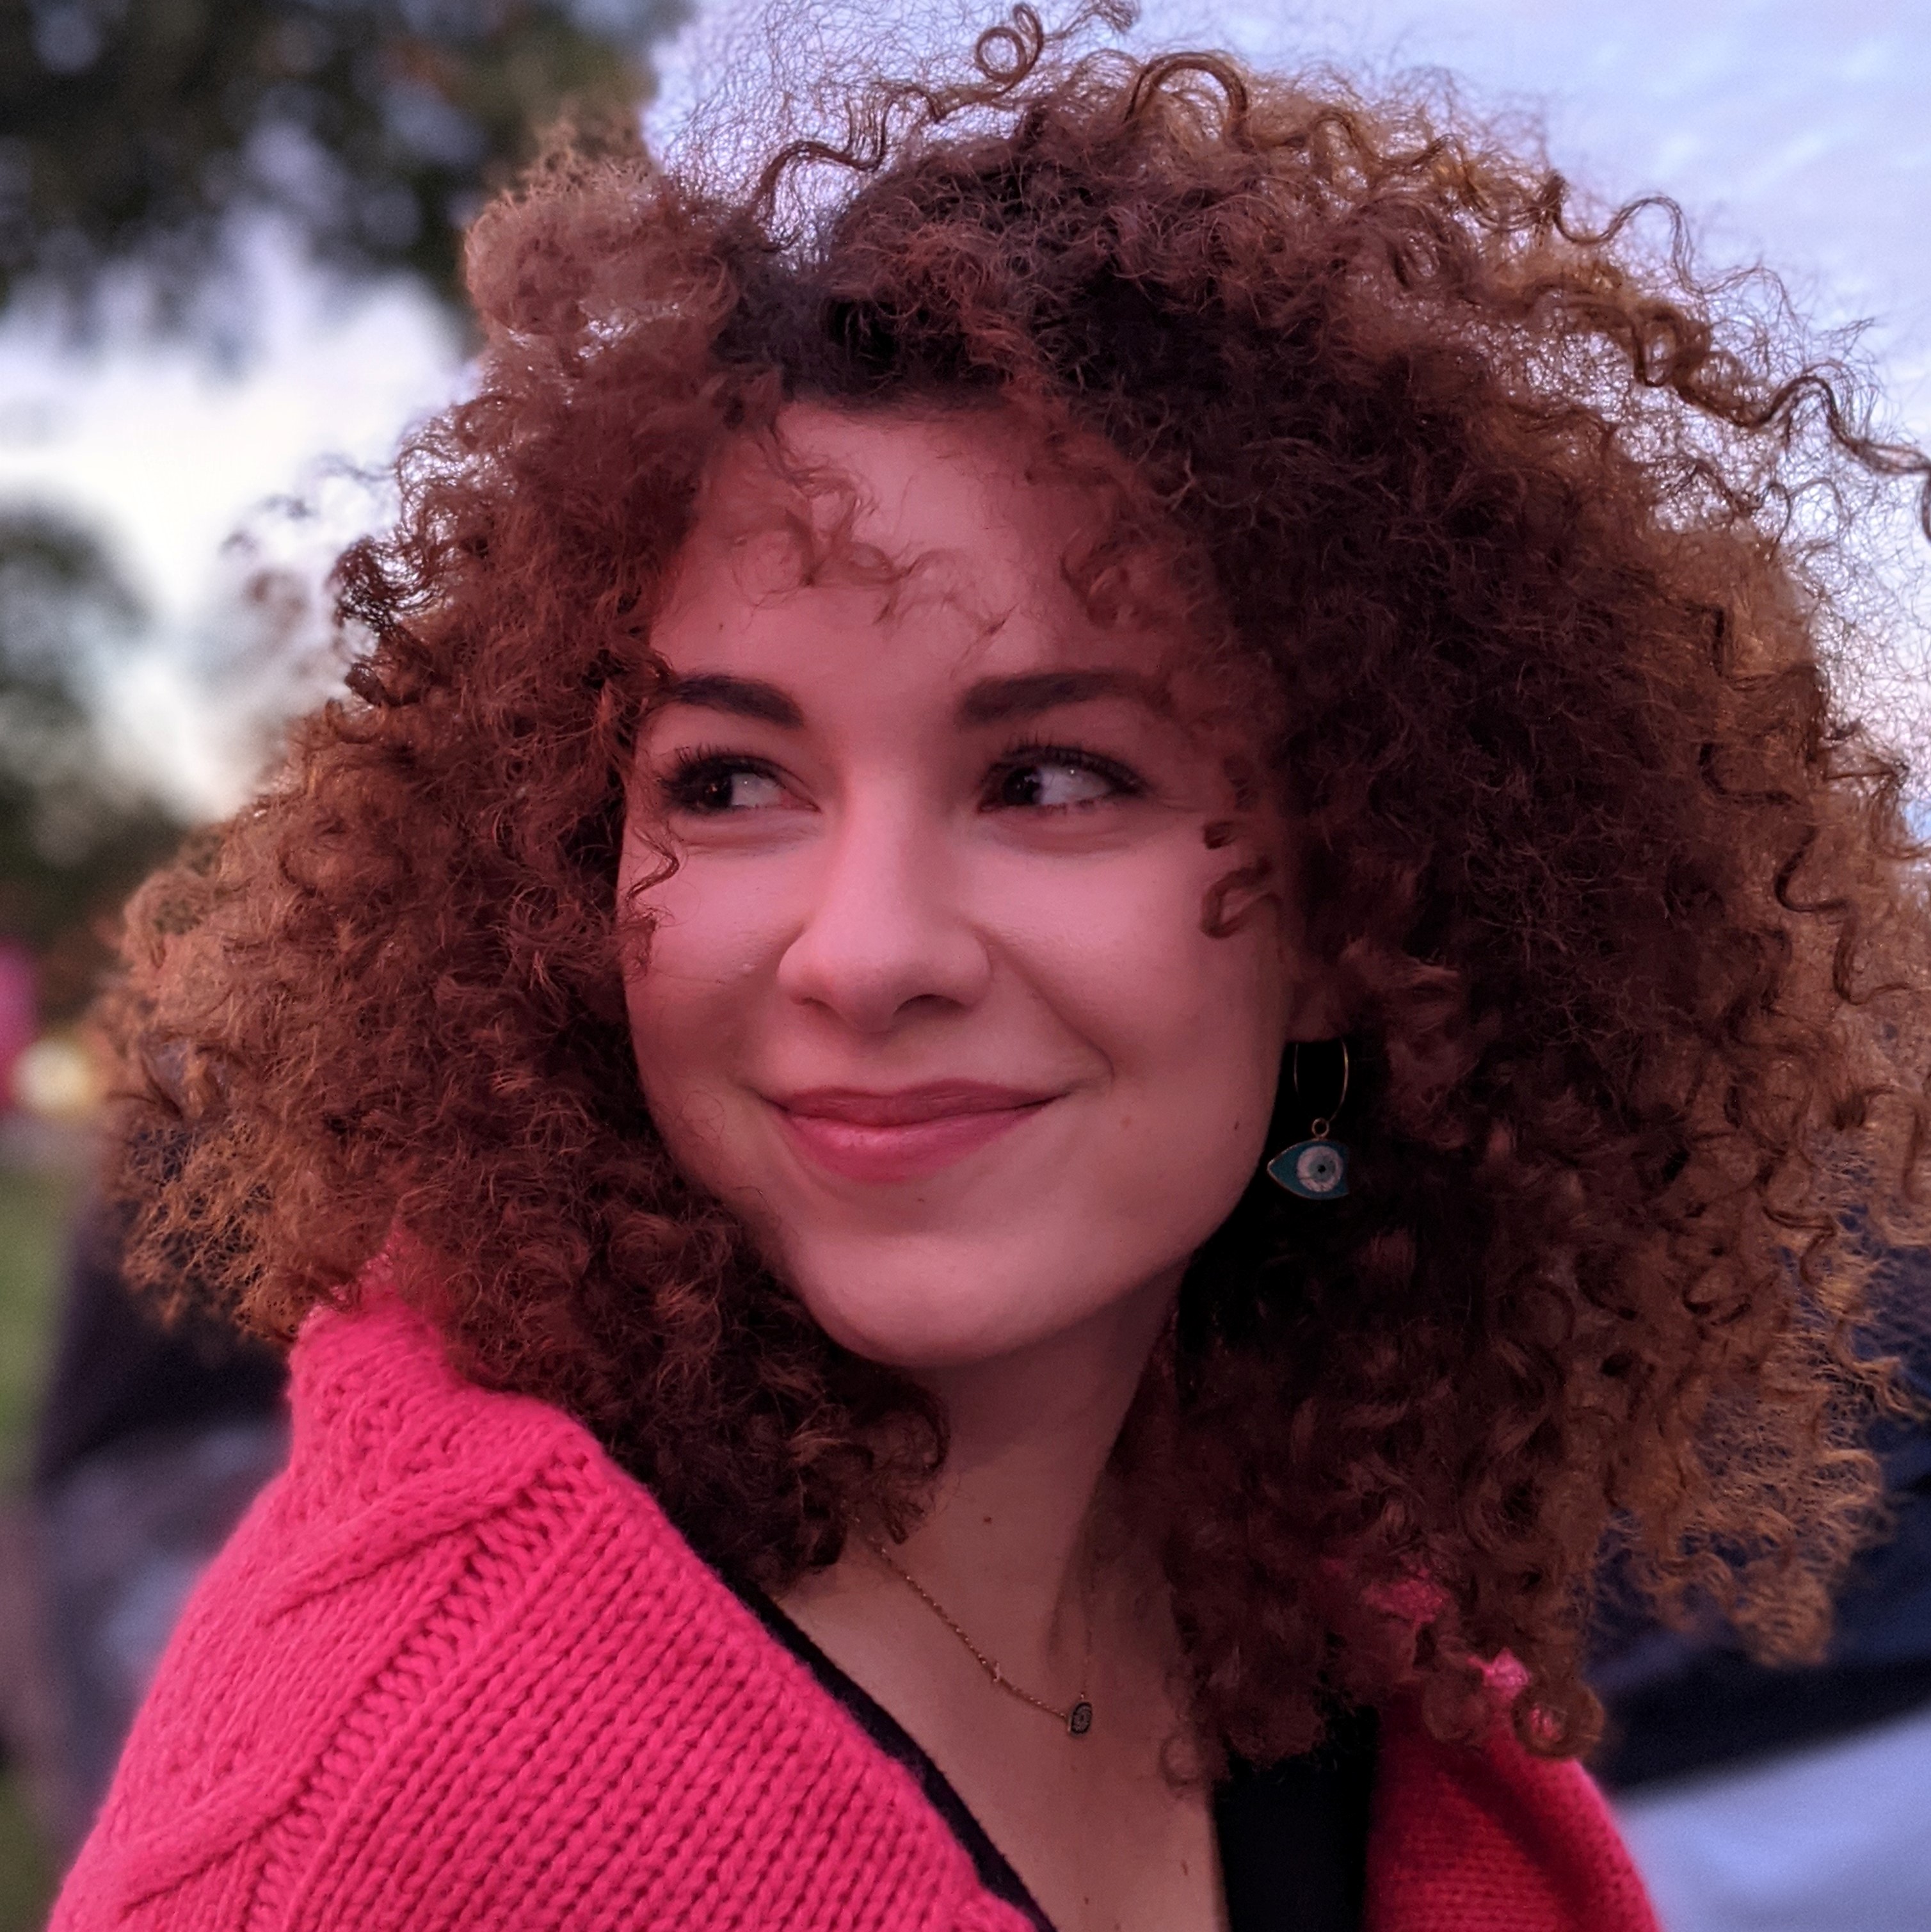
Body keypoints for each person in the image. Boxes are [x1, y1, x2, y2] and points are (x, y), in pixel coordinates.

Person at [46, 9, 1931, 1928]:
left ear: (1357, 913)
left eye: (1049, 779)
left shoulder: (1323, 1637)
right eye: (727, 780)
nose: (863, 953)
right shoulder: (375, 1823)